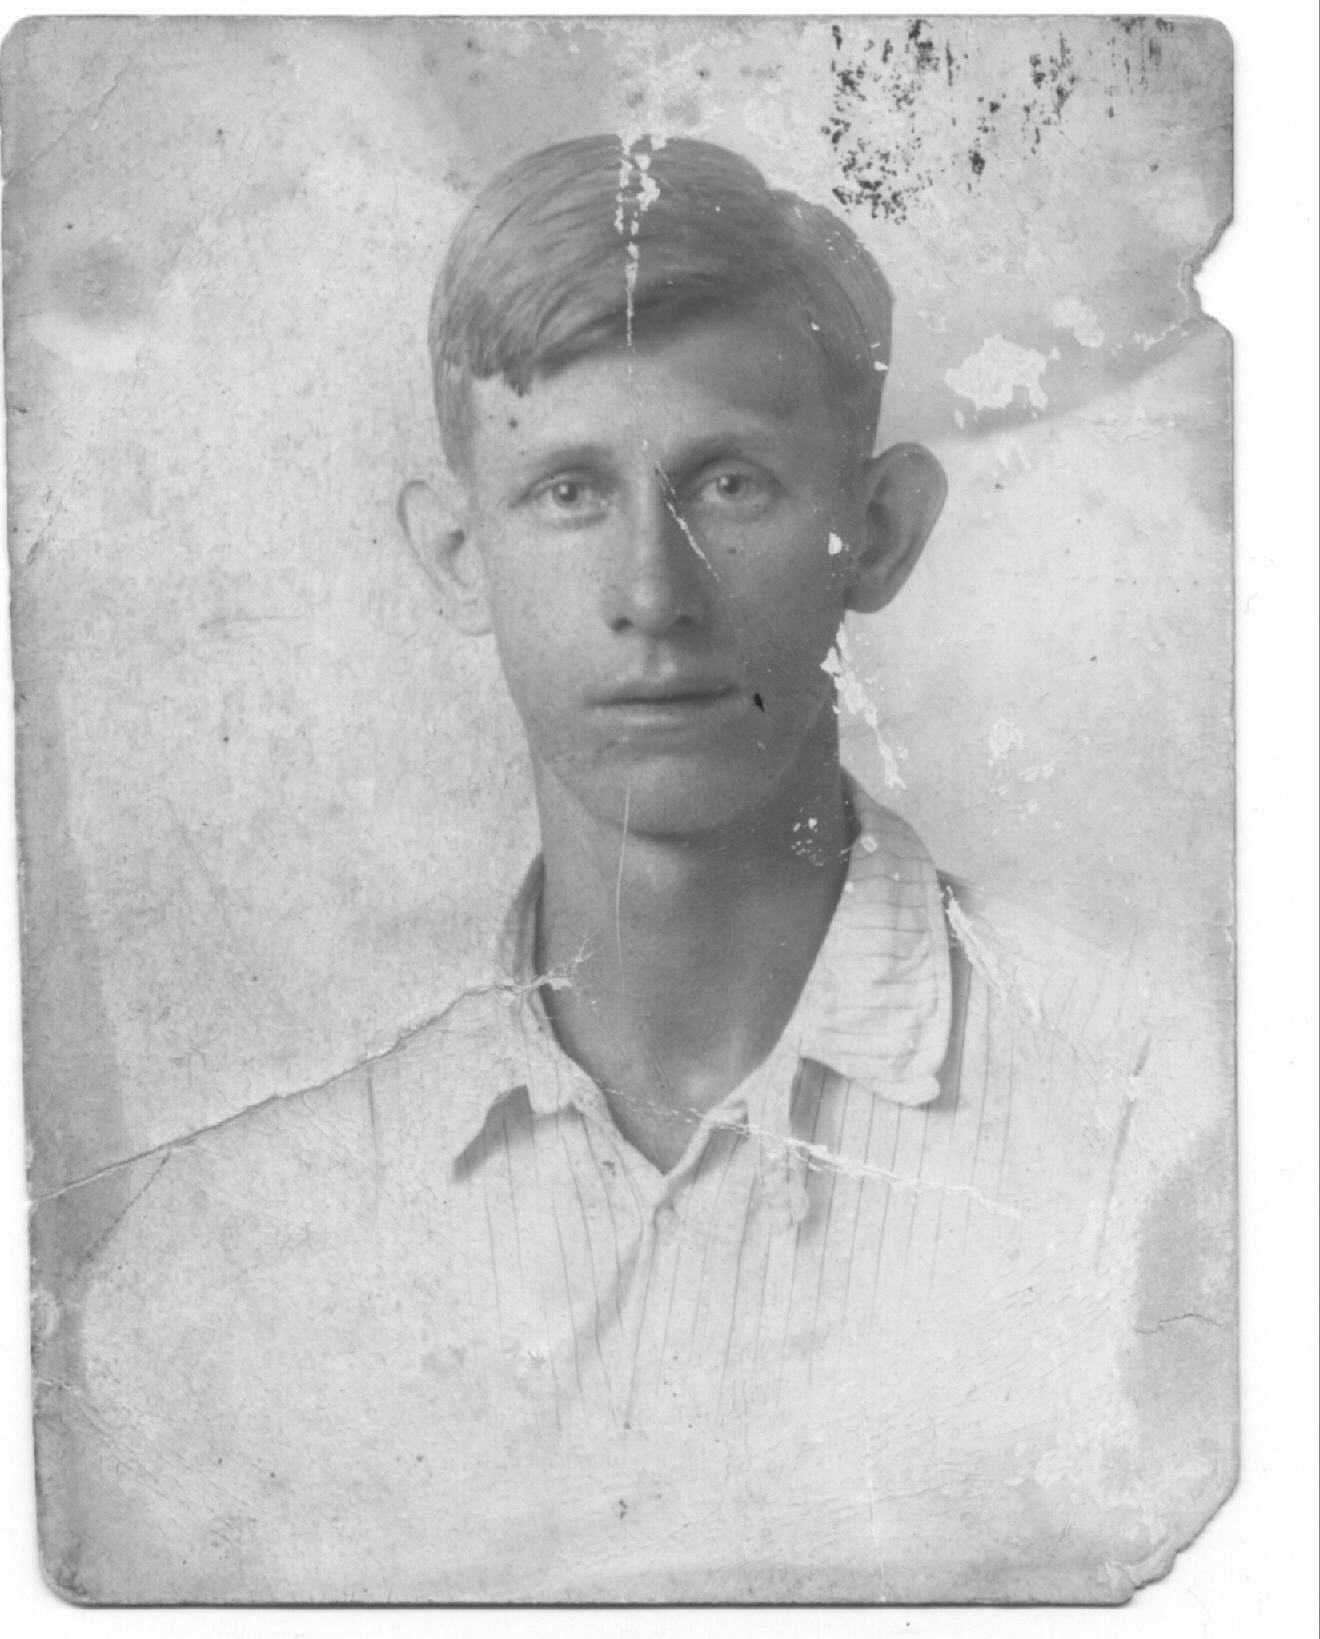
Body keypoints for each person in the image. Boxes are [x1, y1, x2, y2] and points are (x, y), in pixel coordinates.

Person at [38, 136, 1167, 1604]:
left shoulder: (1163, 1130)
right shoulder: (224, 1261)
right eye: (569, 490)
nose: (651, 594)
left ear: (878, 531)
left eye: (732, 483)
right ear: (458, 553)